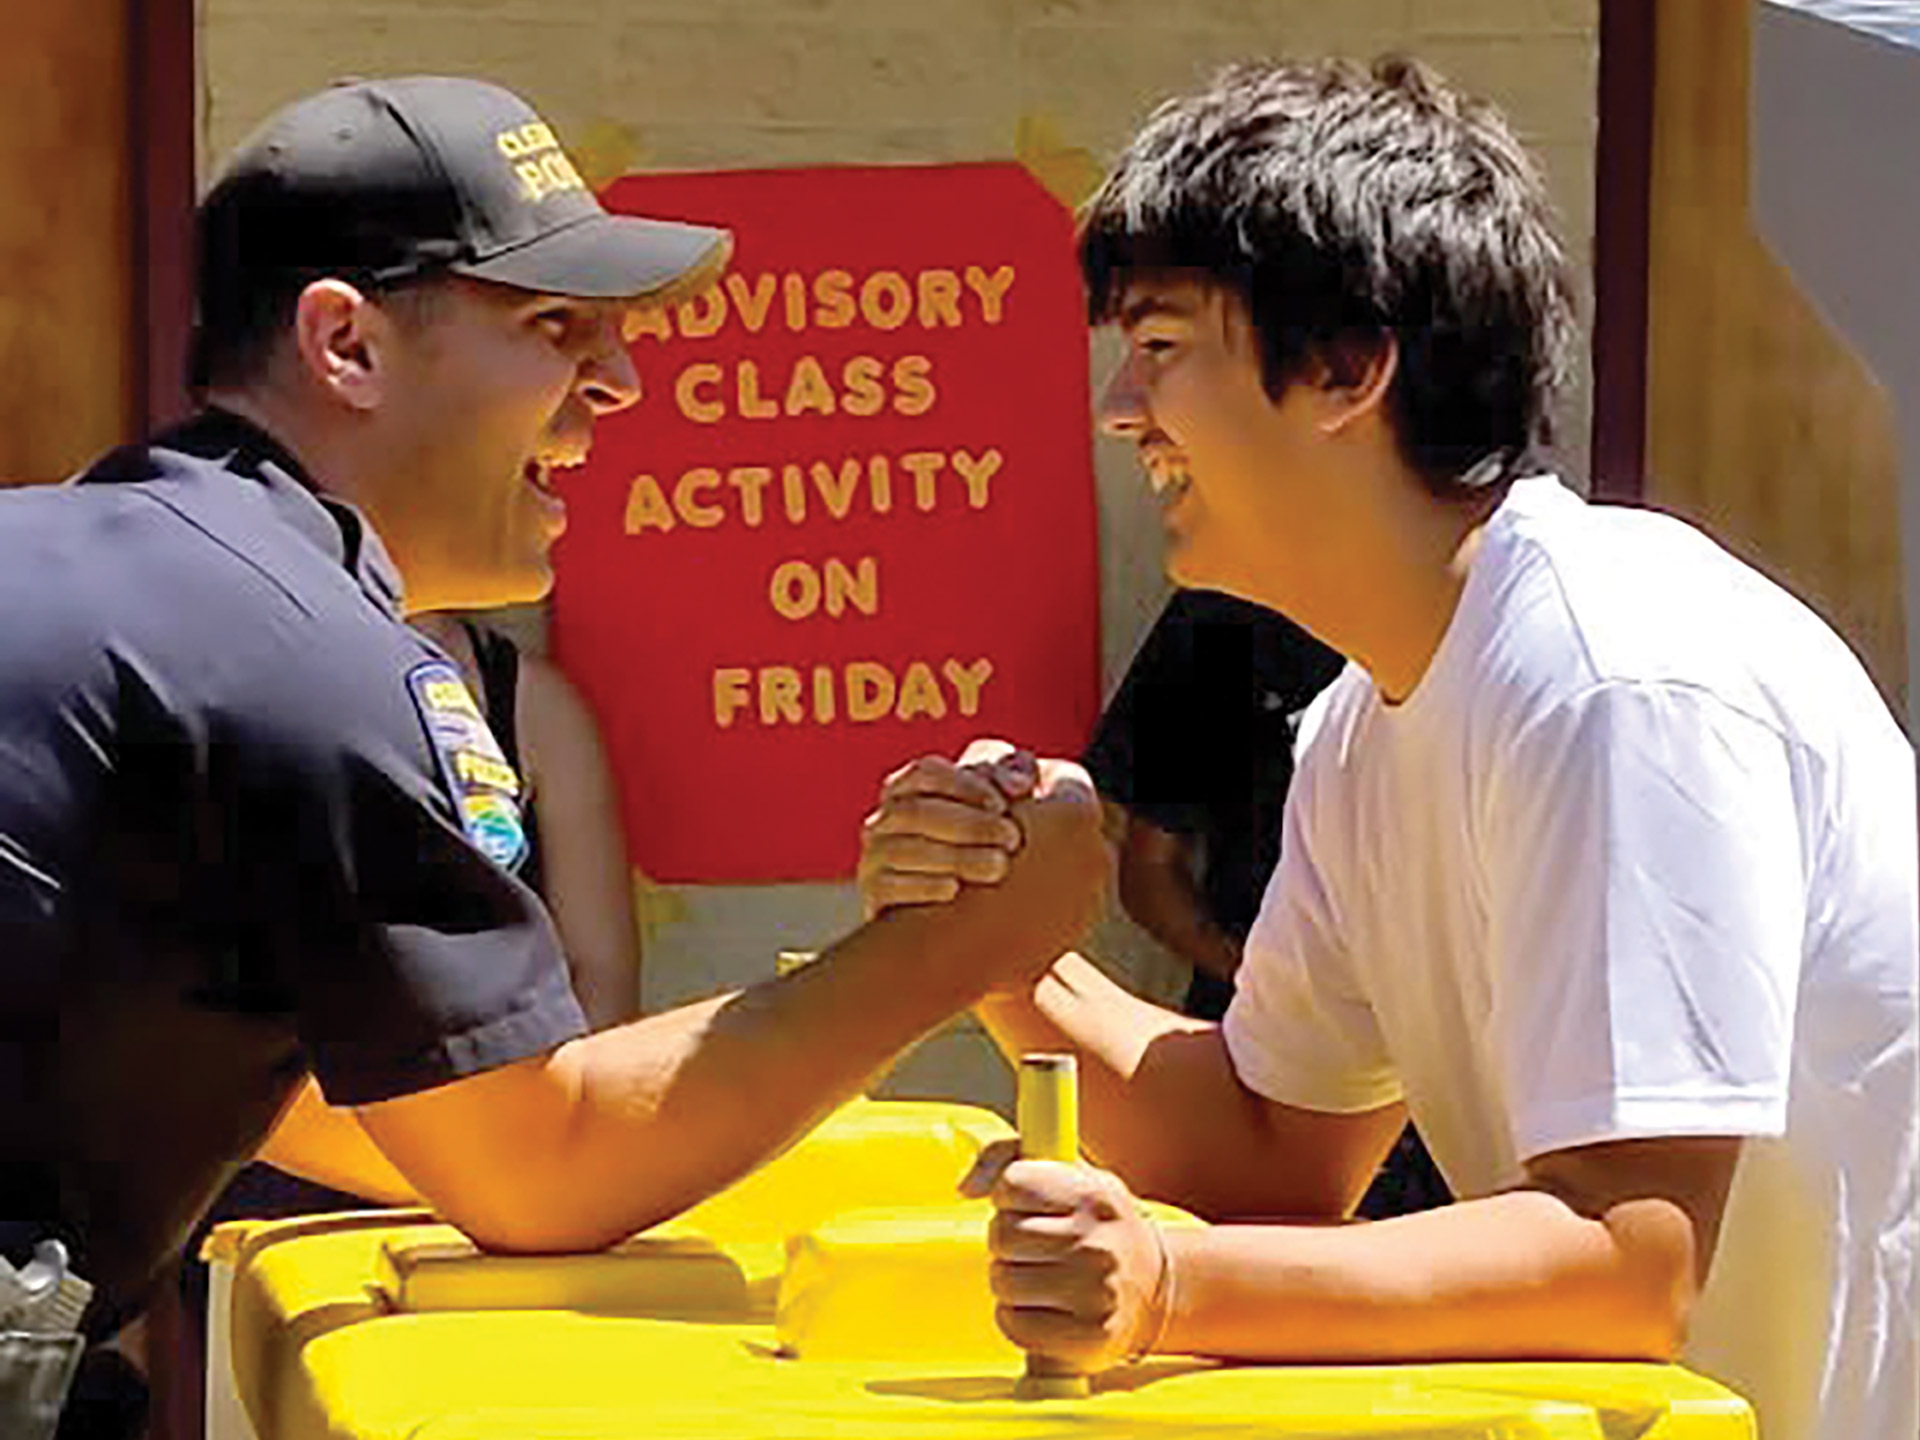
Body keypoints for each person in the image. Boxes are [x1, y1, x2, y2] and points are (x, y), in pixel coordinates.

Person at [0, 73, 1108, 1418]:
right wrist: (958, 946)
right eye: (555, 325)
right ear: (344, 346)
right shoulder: (302, 645)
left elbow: (380, 1114)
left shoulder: (117, 566)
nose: (622, 383)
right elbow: (539, 1166)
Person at [857, 57, 1916, 1440]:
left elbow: (1627, 1259)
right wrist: (993, 946)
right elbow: (1269, 1149)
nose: (1121, 408)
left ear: (1351, 366)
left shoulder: (1617, 676)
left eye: (1164, 346)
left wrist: (1172, 1282)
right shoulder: (1373, 716)